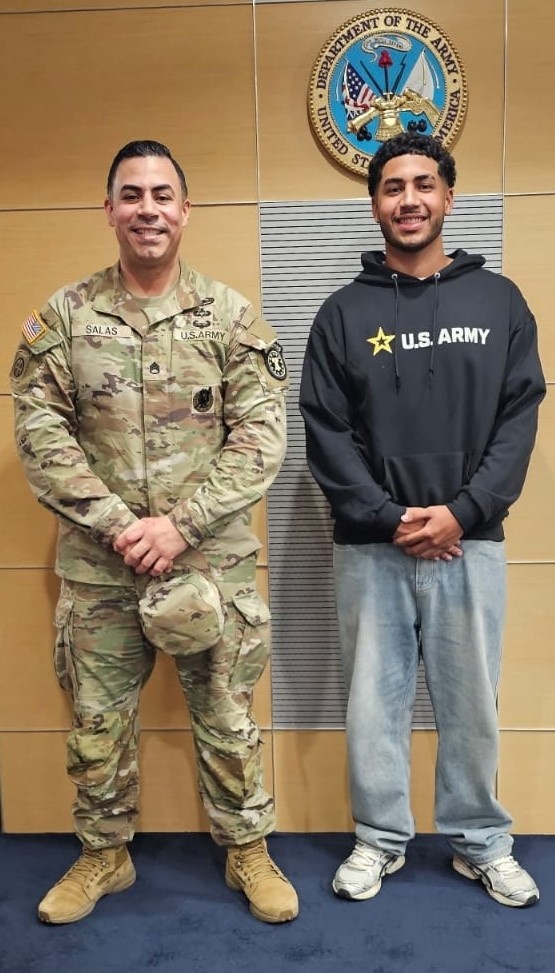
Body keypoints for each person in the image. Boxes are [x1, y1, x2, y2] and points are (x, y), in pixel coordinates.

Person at [11, 140, 298, 926]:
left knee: (229, 716)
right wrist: (118, 525)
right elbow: (40, 432)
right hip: (102, 569)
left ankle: (247, 846)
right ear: (108, 210)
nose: (147, 209)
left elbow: (262, 437)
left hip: (210, 564)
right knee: (98, 723)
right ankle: (105, 853)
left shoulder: (232, 317)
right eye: (131, 195)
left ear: (185, 209)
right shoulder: (65, 319)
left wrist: (179, 526)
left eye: (162, 194)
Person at [299, 132, 546, 909]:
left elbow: (519, 418)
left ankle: (481, 842)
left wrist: (463, 511)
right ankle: (378, 840)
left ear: (447, 195)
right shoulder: (342, 314)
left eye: (423, 184)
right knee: (373, 702)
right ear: (374, 202)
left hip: (470, 543)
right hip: (372, 548)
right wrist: (390, 515)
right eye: (392, 187)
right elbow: (324, 431)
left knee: (472, 701)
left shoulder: (499, 301)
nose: (408, 199)